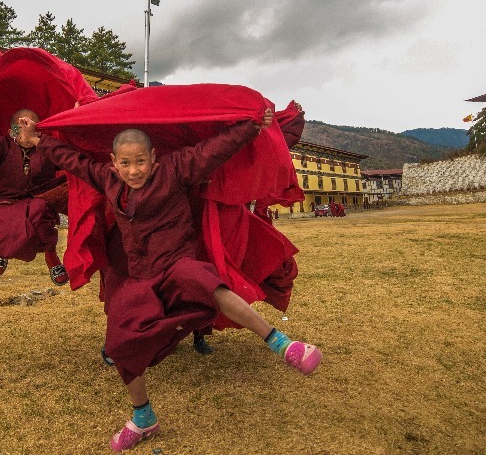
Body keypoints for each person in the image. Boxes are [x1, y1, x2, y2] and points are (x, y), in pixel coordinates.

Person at [23, 110, 323, 452]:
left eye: (140, 161)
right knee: (120, 340)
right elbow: (73, 160)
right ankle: (143, 417)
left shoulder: (176, 169)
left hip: (178, 264)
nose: (133, 170)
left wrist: (251, 125)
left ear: (153, 159)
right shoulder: (107, 179)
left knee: (206, 281)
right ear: (113, 163)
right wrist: (37, 140)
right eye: (125, 163)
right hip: (140, 278)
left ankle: (282, 344)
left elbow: (213, 149)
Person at [0, 101, 68, 286]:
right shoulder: (1, 145)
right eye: (21, 126)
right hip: (6, 202)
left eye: (31, 126)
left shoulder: (46, 148)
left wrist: (71, 127)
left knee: (41, 210)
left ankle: (51, 256)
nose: (26, 131)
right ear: (12, 131)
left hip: (37, 201)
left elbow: (69, 159)